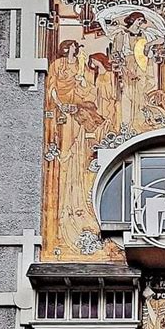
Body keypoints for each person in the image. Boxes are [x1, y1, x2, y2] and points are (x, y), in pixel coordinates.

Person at [46, 40, 105, 251]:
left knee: (77, 151)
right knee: (66, 151)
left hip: (77, 118)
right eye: (74, 47)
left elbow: (90, 93)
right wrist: (61, 105)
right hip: (63, 116)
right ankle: (67, 210)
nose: (76, 50)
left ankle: (78, 197)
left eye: (77, 48)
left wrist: (82, 82)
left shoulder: (80, 68)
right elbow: (51, 88)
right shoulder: (58, 65)